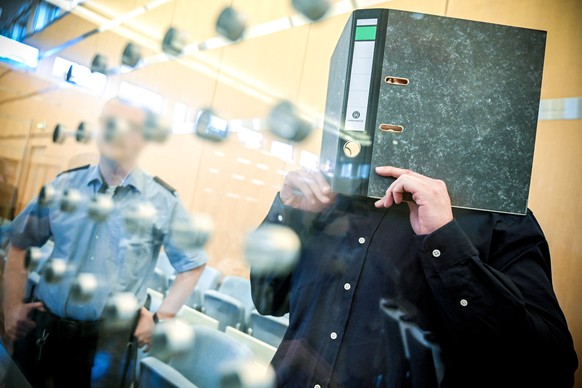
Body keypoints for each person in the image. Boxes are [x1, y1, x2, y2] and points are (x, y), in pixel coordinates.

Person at [251, 166, 578, 387]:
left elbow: (550, 367)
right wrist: (286, 213)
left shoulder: (498, 215)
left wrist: (444, 239)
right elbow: (267, 300)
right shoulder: (326, 198)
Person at [3, 98, 208, 387]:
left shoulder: (163, 201)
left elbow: (192, 265)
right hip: (44, 333)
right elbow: (19, 244)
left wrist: (161, 318)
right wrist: (11, 305)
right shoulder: (64, 186)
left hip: (107, 347)